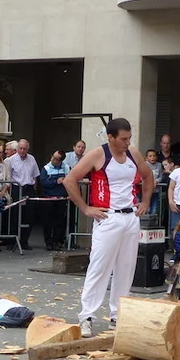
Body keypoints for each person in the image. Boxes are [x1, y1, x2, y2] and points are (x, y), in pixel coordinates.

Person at [64, 118, 154, 337]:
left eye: (129, 138)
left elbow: (148, 175)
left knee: (126, 267)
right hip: (108, 216)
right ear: (111, 137)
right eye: (123, 139)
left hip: (130, 216)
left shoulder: (133, 153)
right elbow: (70, 179)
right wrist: (85, 208)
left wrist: (145, 202)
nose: (127, 142)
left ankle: (118, 315)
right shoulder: (98, 154)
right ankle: (87, 316)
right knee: (99, 267)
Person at [7, 139, 39, 250]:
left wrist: (34, 190)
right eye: (20, 148)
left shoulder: (32, 159)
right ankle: (12, 241)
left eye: (24, 149)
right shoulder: (11, 160)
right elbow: (8, 177)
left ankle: (24, 241)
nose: (22, 151)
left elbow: (35, 176)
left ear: (27, 149)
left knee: (29, 216)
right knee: (15, 215)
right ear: (17, 149)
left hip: (29, 188)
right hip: (16, 188)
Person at [40, 149, 70, 251]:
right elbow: (44, 182)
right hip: (48, 198)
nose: (52, 159)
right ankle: (48, 242)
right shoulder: (46, 168)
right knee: (47, 221)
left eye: (56, 159)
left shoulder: (66, 168)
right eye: (52, 156)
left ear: (60, 161)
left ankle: (57, 241)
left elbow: (70, 181)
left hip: (61, 198)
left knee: (60, 221)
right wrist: (56, 182)